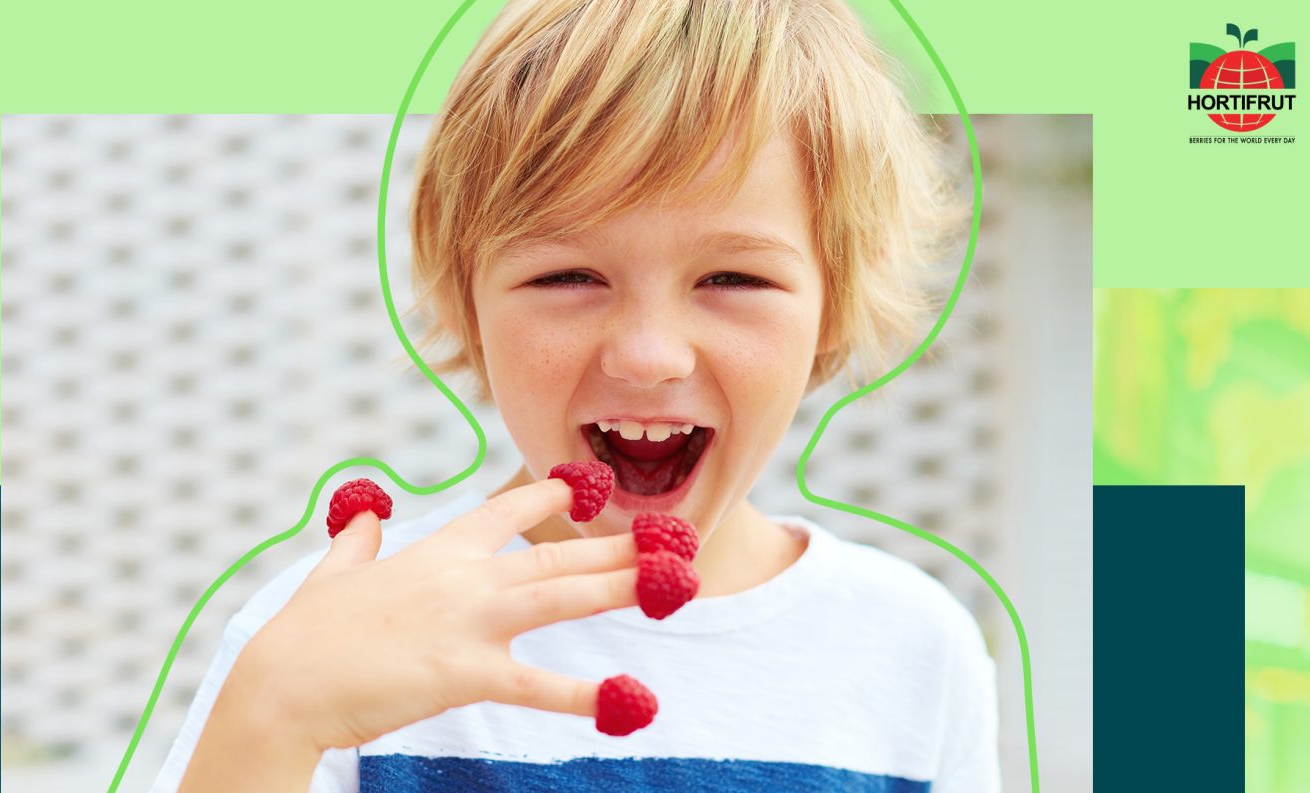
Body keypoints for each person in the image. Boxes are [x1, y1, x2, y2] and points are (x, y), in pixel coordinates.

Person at [155, 0, 998, 790]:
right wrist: (270, 716)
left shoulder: (914, 650)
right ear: (466, 302)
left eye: (733, 276)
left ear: (833, 306)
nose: (648, 355)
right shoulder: (333, 636)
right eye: (567, 274)